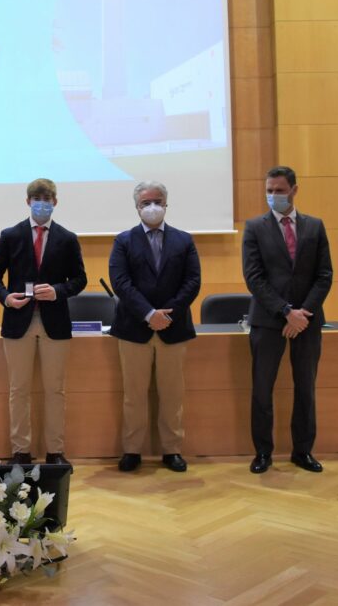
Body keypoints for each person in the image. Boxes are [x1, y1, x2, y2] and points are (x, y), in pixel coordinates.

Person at [0, 178, 87, 467]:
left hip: (55, 322)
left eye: (48, 198)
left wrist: (58, 291)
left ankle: (55, 451)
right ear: (28, 201)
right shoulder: (10, 235)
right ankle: (21, 451)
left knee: (55, 389)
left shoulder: (67, 238)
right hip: (19, 321)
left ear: (55, 202)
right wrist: (6, 298)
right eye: (37, 198)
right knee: (19, 389)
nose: (42, 202)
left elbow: (80, 279)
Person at [242, 166, 333, 474]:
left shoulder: (315, 226)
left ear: (294, 190)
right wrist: (285, 311)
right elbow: (253, 278)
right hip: (268, 321)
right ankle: (263, 453)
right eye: (269, 190)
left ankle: (302, 451)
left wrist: (302, 313)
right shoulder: (254, 227)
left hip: (307, 322)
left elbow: (324, 276)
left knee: (305, 387)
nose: (273, 196)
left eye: (279, 190)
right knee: (261, 389)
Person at [109, 181, 201, 473]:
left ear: (166, 204)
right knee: (133, 395)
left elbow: (192, 281)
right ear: (137, 207)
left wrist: (167, 314)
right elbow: (121, 282)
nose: (152, 207)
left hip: (173, 329)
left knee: (172, 395)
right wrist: (149, 314)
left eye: (157, 201)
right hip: (134, 329)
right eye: (146, 202)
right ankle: (132, 450)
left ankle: (172, 450)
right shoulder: (123, 241)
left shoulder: (184, 241)